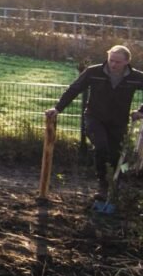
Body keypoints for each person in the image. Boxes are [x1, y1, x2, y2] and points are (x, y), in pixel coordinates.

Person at [47, 45, 143, 214]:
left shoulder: (135, 77)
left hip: (118, 122)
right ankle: (102, 187)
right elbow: (74, 89)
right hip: (94, 118)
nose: (113, 65)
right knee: (101, 147)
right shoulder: (94, 72)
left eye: (118, 62)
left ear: (127, 61)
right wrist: (58, 108)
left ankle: (113, 188)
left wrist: (141, 112)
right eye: (111, 60)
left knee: (115, 155)